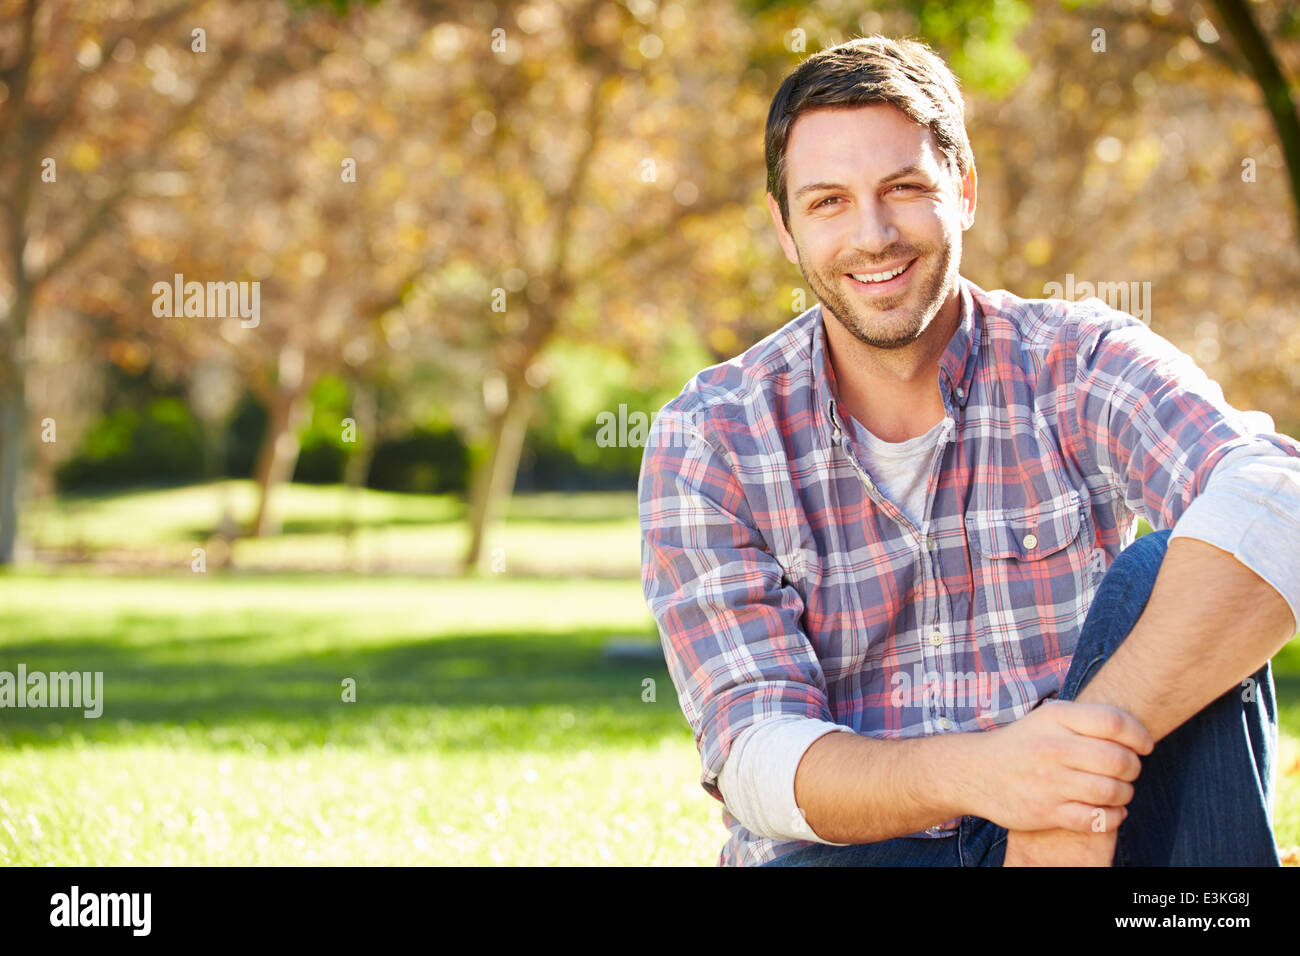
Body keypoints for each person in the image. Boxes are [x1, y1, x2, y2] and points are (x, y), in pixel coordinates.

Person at [636, 34, 1300, 867]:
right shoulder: (710, 439)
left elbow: (1281, 498)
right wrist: (994, 774)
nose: (873, 235)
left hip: (1091, 833)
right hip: (852, 853)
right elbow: (755, 758)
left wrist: (1063, 791)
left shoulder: (1077, 362)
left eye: (904, 188)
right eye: (829, 202)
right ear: (784, 227)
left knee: (1176, 570)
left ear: (967, 189)